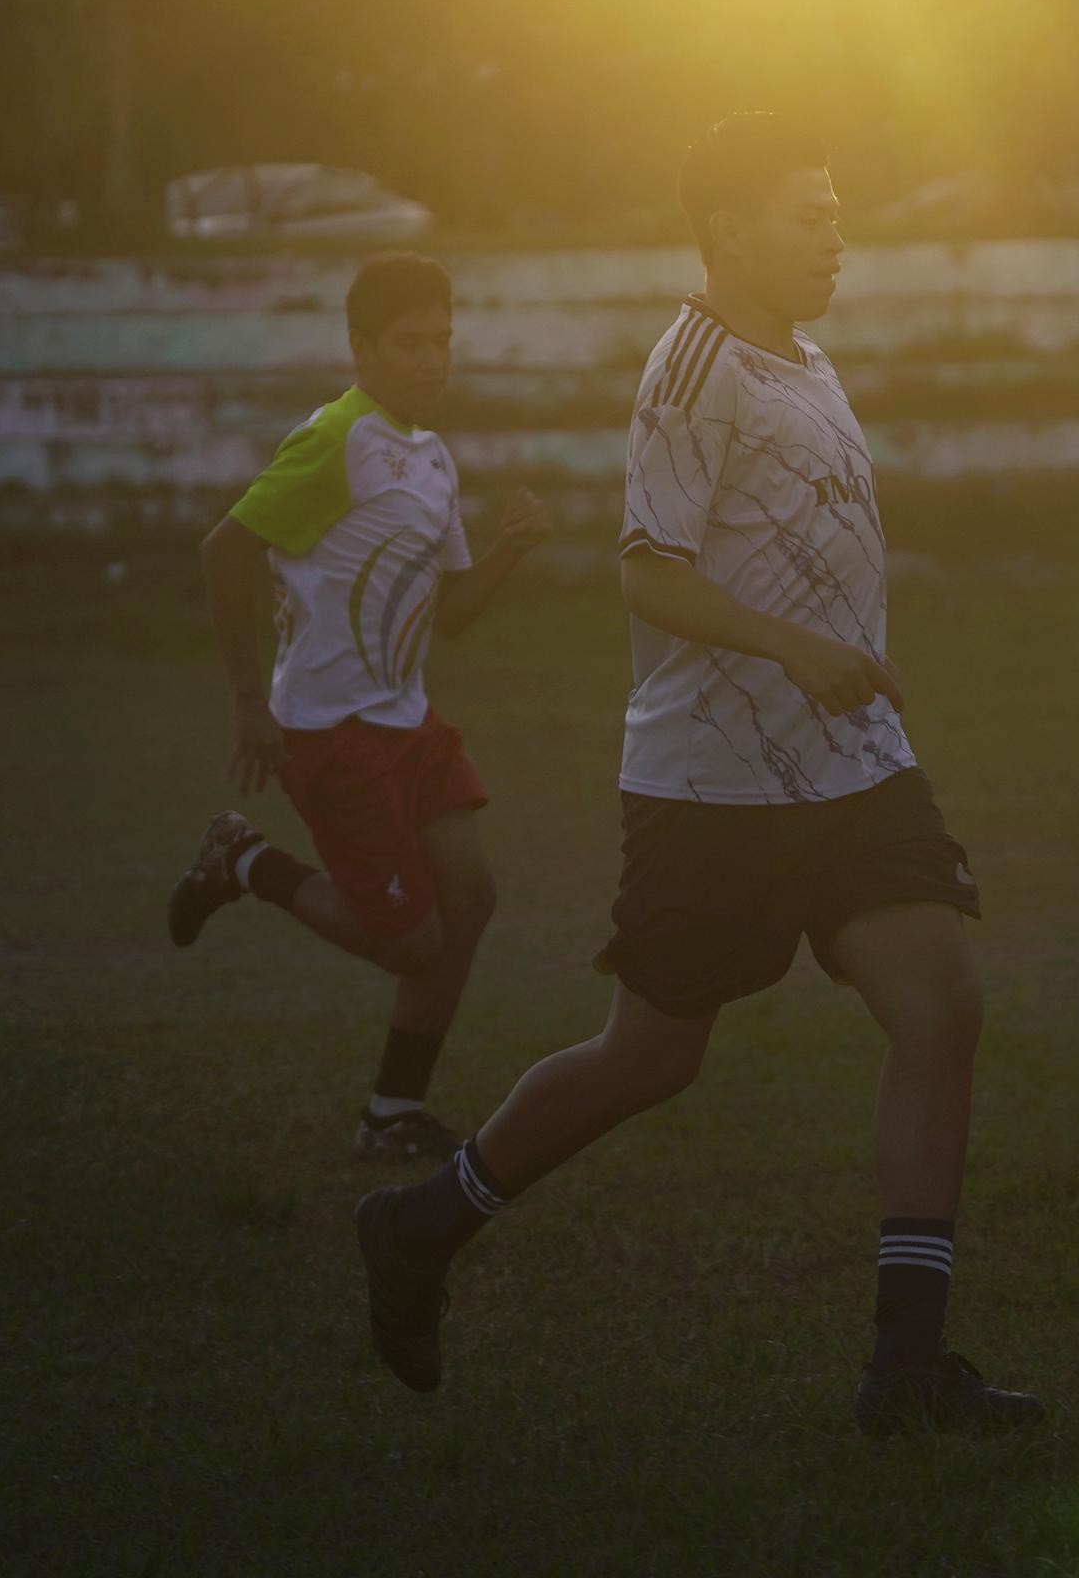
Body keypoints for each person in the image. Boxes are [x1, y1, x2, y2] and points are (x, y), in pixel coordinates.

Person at [347, 115, 1042, 1438]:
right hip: (717, 778)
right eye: (808, 214)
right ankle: (421, 1226)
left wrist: (839, 673)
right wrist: (801, 650)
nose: (836, 235)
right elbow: (645, 568)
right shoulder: (690, 372)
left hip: (851, 769)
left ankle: (905, 1367)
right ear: (728, 230)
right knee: (654, 1055)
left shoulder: (807, 358)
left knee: (940, 1008)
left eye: (839, 212)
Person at [164, 254, 552, 1164]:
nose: (432, 359)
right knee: (413, 944)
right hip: (328, 731)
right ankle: (244, 861)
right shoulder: (338, 438)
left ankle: (390, 1113)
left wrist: (510, 549)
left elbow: (452, 615)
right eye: (411, 344)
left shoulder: (433, 458)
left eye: (443, 341)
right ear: (362, 347)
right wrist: (245, 701)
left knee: (473, 895)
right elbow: (225, 551)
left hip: (406, 721)